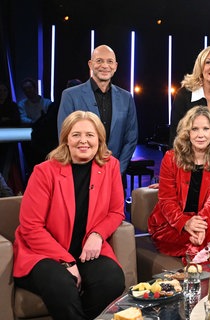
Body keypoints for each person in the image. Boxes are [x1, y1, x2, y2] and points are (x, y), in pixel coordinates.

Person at [12, 111, 126, 319]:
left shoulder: (110, 166)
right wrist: (67, 262)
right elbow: (31, 227)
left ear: (99, 139)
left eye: (90, 135)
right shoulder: (44, 172)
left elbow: (116, 211)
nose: (83, 141)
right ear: (66, 139)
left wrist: (98, 235)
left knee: (112, 280)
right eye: (76, 135)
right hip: (43, 252)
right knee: (63, 285)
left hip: (85, 248)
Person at [148, 106, 210, 257]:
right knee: (209, 246)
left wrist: (199, 226)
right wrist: (185, 223)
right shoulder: (171, 158)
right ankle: (197, 270)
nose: (201, 135)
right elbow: (167, 199)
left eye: (206, 129)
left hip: (205, 223)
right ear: (187, 133)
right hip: (171, 224)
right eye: (195, 129)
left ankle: (199, 270)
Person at [58, 45, 138, 175]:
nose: (105, 66)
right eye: (99, 60)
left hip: (115, 174)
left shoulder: (126, 98)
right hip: (81, 173)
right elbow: (64, 137)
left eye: (110, 61)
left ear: (115, 66)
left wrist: (117, 170)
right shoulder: (70, 95)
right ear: (90, 64)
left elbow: (131, 138)